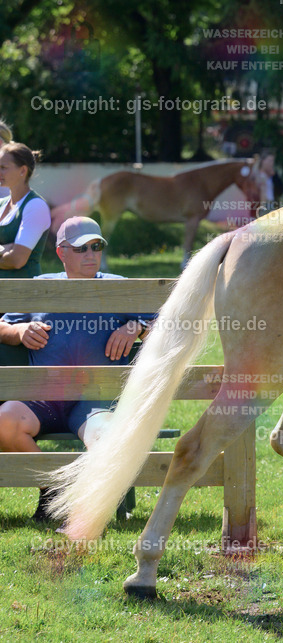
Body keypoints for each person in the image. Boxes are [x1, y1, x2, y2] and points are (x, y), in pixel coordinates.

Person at [0, 216, 154, 521]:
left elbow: (166, 324)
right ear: (61, 252)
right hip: (43, 399)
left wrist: (135, 326)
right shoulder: (41, 287)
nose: (91, 254)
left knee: (105, 438)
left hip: (94, 402)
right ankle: (54, 490)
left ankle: (83, 509)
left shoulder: (118, 287)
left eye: (96, 246)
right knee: (4, 422)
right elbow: (3, 325)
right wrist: (19, 331)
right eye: (82, 248)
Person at [0, 142, 51, 278]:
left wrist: (12, 252)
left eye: (3, 168)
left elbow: (17, 260)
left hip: (23, 289)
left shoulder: (36, 206)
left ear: (23, 170)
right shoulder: (1, 204)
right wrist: (6, 249)